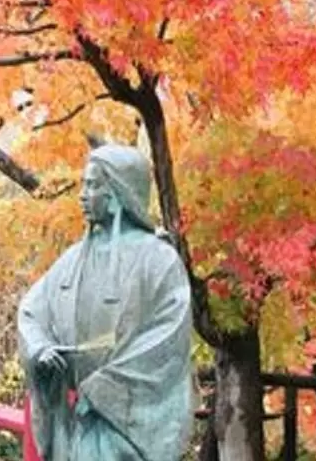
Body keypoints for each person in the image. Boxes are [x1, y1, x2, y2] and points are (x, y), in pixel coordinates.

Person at [17, 142, 194, 461]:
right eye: (83, 185)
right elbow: (32, 313)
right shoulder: (73, 260)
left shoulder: (159, 260)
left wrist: (101, 388)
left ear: (118, 193)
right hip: (80, 428)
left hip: (128, 429)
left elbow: (166, 343)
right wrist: (41, 349)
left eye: (93, 185)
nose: (82, 195)